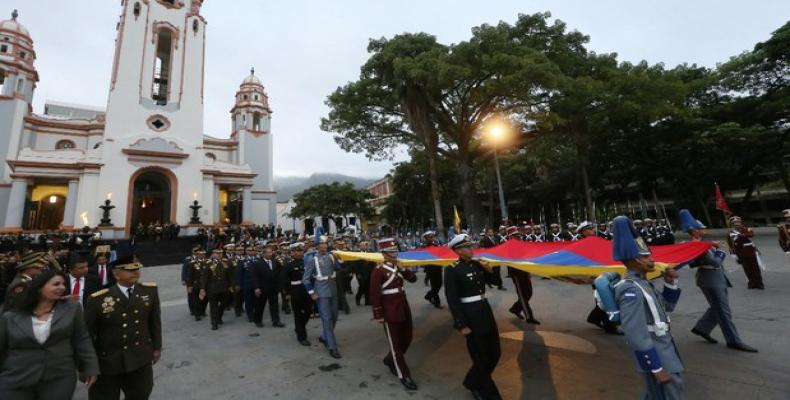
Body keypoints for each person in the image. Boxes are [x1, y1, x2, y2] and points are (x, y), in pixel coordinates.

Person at [612, 216, 684, 400]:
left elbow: (667, 308)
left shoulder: (644, 283)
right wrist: (655, 367)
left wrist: (671, 283)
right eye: (645, 257)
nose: (651, 260)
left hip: (666, 348)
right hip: (658, 355)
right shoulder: (630, 288)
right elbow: (634, 332)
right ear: (632, 260)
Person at [0, 270, 99, 400]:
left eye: (63, 284)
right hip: (17, 378)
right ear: (40, 287)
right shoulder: (11, 316)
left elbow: (82, 339)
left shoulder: (72, 309)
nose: (62, 287)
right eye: (56, 284)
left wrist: (90, 367)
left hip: (59, 377)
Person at [678, 210, 758, 353]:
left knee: (719, 307)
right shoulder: (697, 245)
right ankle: (733, 341)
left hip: (714, 277)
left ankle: (702, 328)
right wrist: (720, 250)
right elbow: (715, 262)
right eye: (701, 228)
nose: (704, 230)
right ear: (694, 231)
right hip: (710, 279)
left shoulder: (702, 244)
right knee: (723, 311)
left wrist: (711, 247)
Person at [85, 255, 162, 400]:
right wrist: (88, 364)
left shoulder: (149, 291)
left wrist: (157, 347)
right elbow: (88, 334)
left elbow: (154, 321)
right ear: (115, 274)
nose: (135, 273)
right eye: (128, 270)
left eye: (137, 269)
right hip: (108, 361)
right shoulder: (98, 299)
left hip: (140, 357)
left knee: (142, 393)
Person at [444, 234, 502, 400]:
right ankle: (488, 393)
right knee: (480, 357)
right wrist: (461, 324)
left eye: (471, 246)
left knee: (495, 353)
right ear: (459, 251)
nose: (472, 249)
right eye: (468, 247)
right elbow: (452, 299)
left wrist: (490, 270)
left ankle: (472, 381)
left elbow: (496, 283)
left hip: (485, 312)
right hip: (470, 317)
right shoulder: (452, 269)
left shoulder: (478, 264)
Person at [370, 238, 418, 391]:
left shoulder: (398, 266)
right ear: (384, 254)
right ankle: (403, 375)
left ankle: (390, 359)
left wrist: (403, 269)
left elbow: (413, 279)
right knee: (395, 344)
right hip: (389, 310)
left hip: (403, 307)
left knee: (408, 337)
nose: (395, 254)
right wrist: (379, 314)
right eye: (391, 253)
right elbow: (375, 294)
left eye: (395, 251)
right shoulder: (378, 270)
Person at [303, 236, 342, 359]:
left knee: (335, 316)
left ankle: (325, 336)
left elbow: (339, 268)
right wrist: (311, 292)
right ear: (317, 247)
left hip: (333, 289)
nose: (324, 247)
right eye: (322, 246)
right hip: (321, 291)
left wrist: (340, 260)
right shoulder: (312, 259)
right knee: (327, 319)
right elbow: (305, 278)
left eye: (325, 245)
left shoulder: (331, 256)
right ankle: (332, 347)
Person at [281, 243, 313, 346]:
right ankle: (302, 337)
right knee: (298, 315)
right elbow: (285, 280)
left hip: (307, 291)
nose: (299, 253)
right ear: (292, 253)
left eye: (300, 251)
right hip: (295, 292)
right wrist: (287, 293)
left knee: (308, 312)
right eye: (296, 251)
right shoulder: (289, 265)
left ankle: (299, 328)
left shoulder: (307, 262)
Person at [252, 245, 285, 328]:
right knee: (260, 306)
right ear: (263, 254)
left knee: (274, 305)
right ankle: (258, 321)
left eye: (271, 252)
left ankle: (276, 321)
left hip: (273, 288)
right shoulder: (257, 263)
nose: (270, 254)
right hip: (262, 288)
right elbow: (255, 277)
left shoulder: (275, 261)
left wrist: (279, 286)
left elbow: (279, 274)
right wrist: (256, 288)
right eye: (268, 252)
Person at [200, 249, 233, 330]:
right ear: (213, 254)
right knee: (213, 306)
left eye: (221, 253)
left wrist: (231, 286)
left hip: (224, 288)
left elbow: (229, 275)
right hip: (212, 289)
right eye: (217, 253)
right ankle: (214, 322)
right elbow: (204, 277)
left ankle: (219, 316)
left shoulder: (225, 262)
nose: (219, 254)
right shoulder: (208, 264)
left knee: (224, 304)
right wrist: (202, 288)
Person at [728, 216, 765, 289]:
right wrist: (734, 255)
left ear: (741, 222)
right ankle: (751, 283)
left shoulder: (746, 229)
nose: (737, 224)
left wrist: (741, 234)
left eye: (738, 222)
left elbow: (751, 234)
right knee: (747, 269)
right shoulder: (731, 233)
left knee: (755, 268)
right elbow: (730, 244)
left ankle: (759, 283)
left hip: (750, 251)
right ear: (732, 224)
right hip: (740, 252)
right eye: (735, 223)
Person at [421, 231, 444, 309]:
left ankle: (428, 295)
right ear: (426, 238)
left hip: (437, 266)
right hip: (430, 268)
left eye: (432, 236)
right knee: (434, 285)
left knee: (440, 283)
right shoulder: (424, 245)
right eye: (429, 237)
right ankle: (437, 303)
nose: (431, 238)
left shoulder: (436, 243)